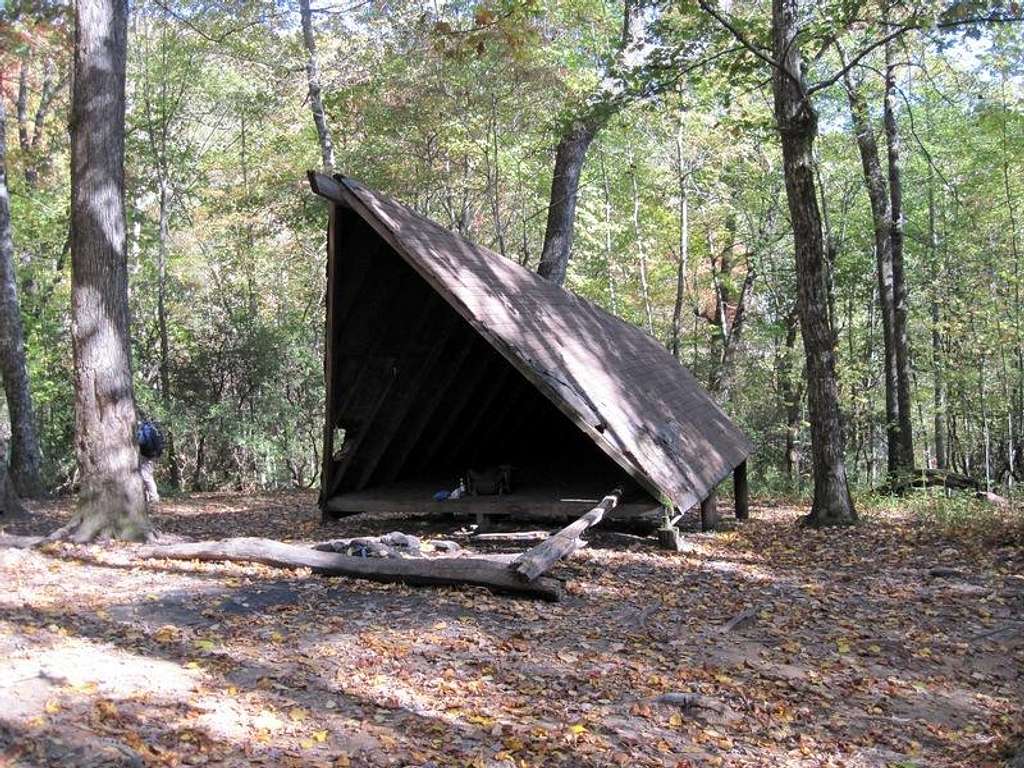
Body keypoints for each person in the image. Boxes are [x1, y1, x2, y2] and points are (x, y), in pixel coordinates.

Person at [137, 419, 164, 504]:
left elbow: (140, 441)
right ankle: (147, 497)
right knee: (145, 475)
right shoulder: (152, 428)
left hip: (148, 455)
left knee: (146, 476)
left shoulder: (143, 429)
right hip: (152, 454)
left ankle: (154, 498)